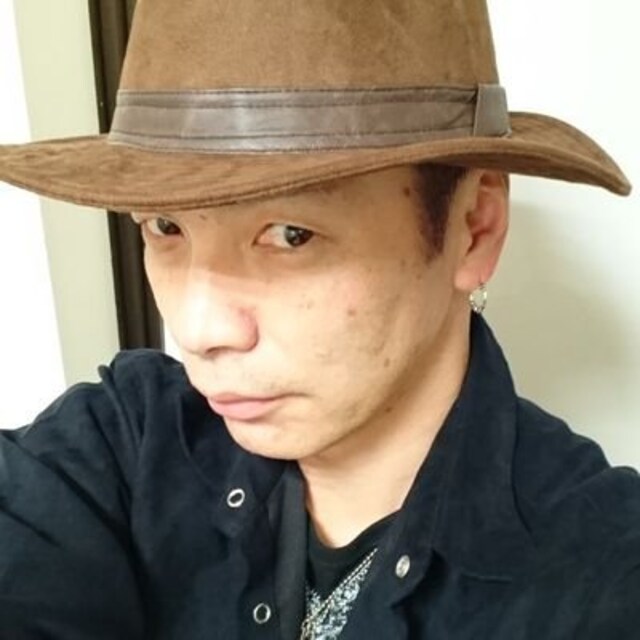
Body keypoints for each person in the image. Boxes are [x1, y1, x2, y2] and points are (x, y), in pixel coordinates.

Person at [0, 0, 638, 638]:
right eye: (166, 226)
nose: (198, 331)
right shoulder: (128, 437)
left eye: (290, 234)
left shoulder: (600, 576)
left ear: (473, 228)